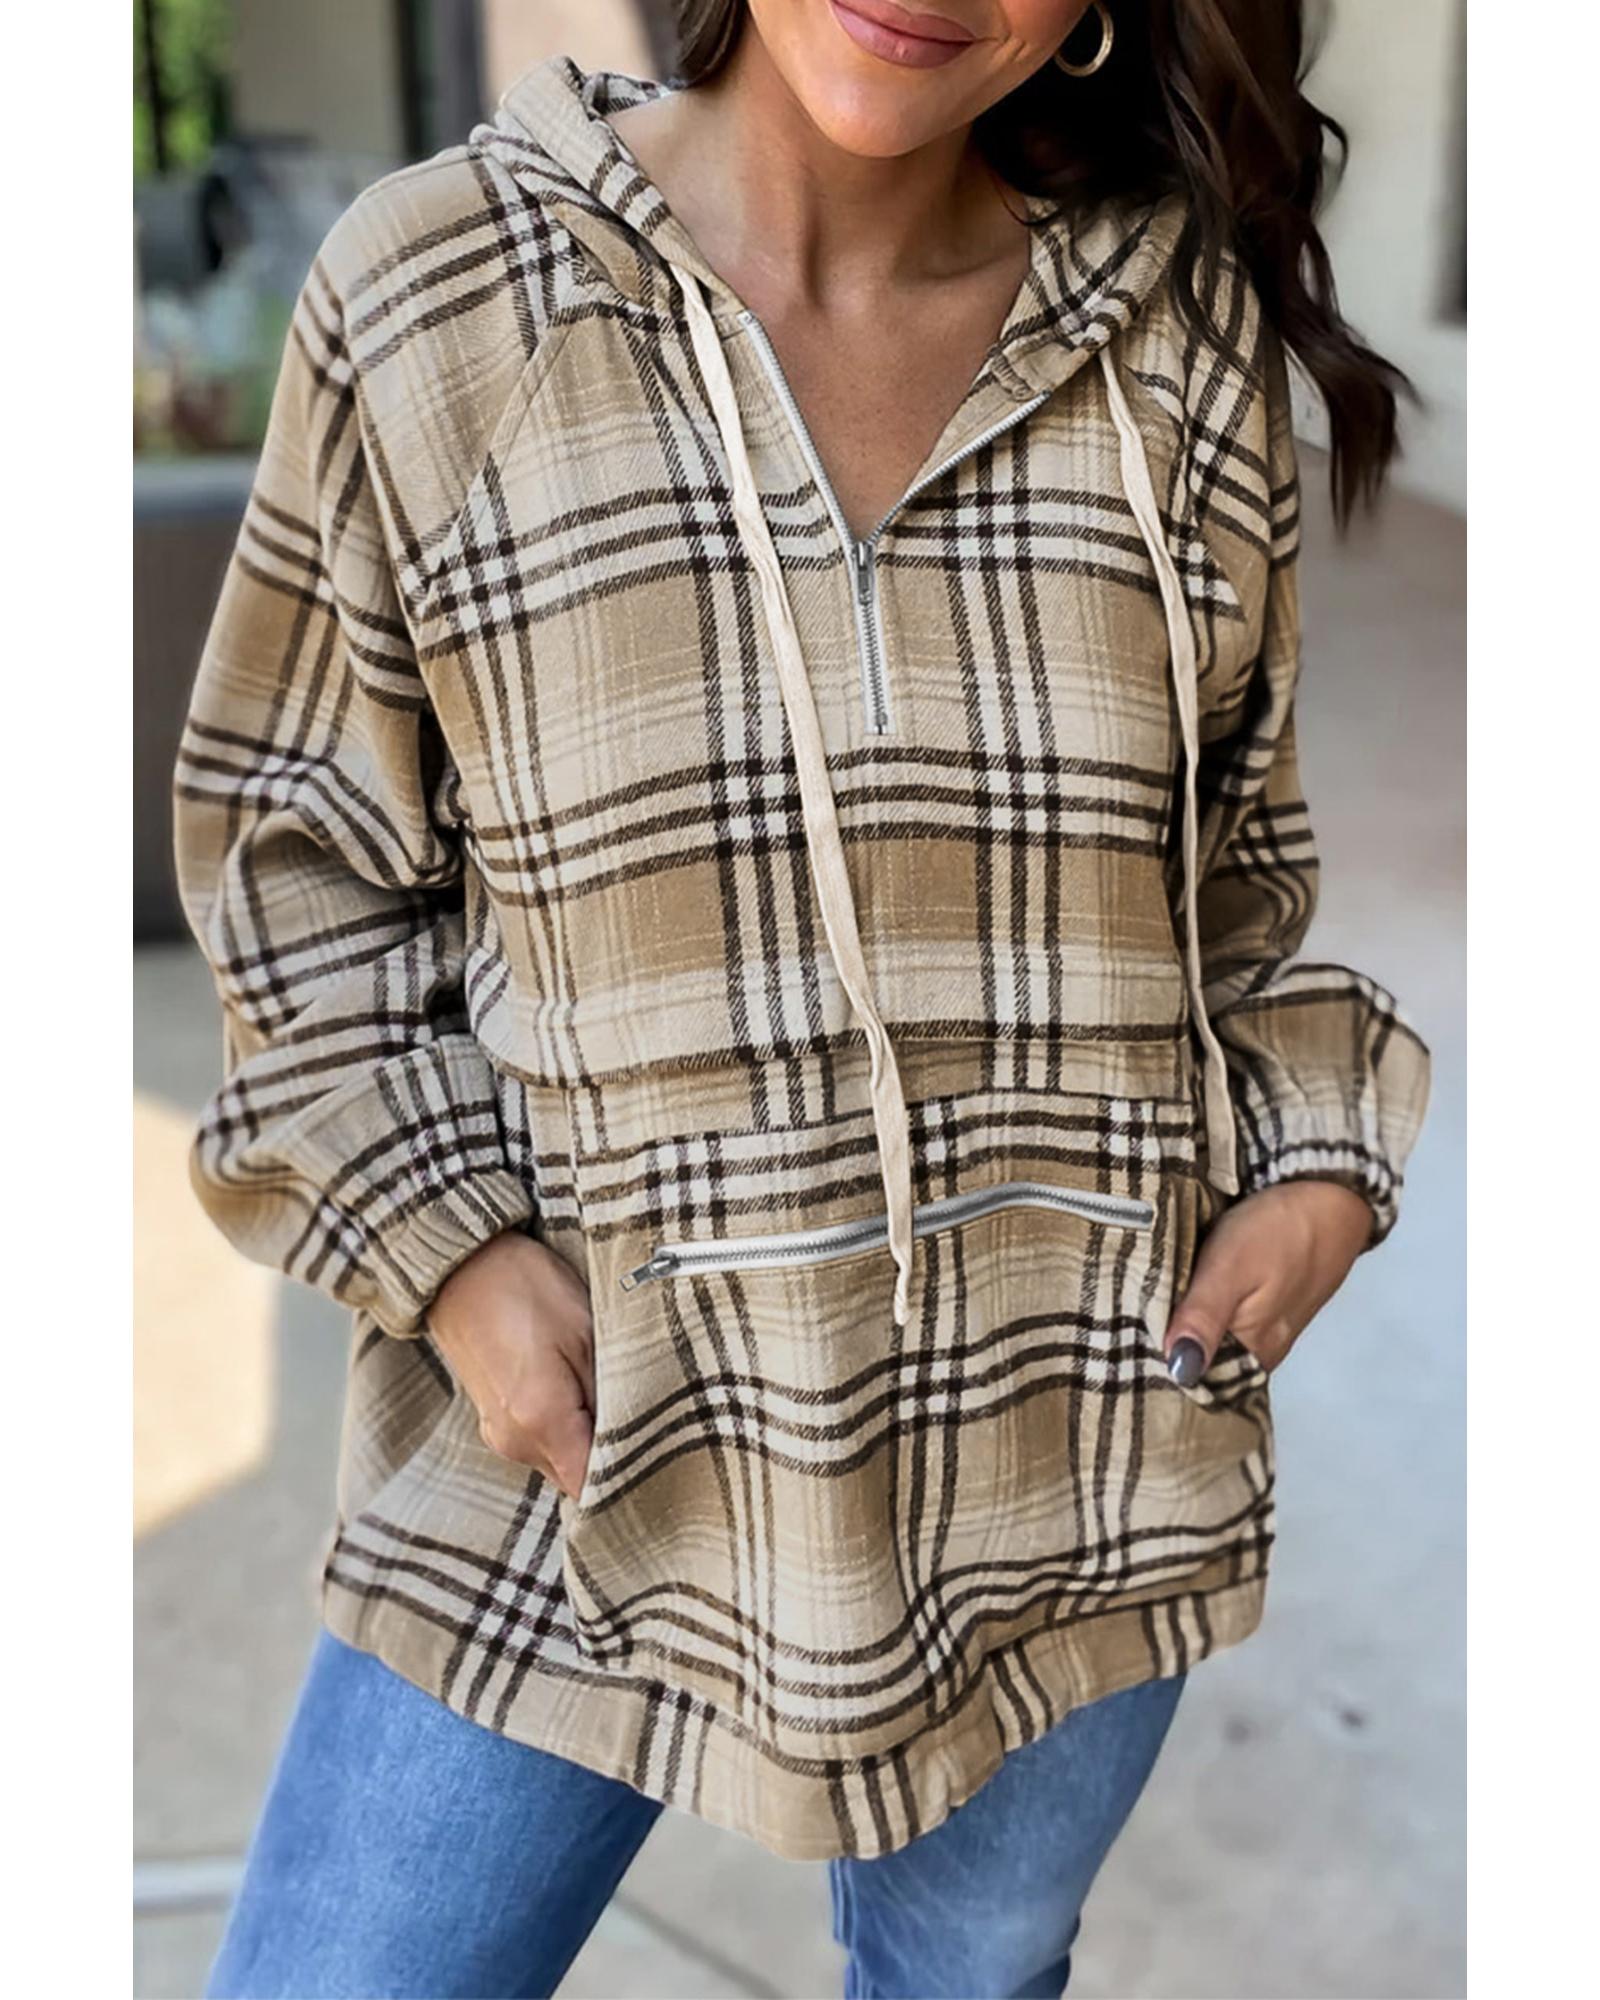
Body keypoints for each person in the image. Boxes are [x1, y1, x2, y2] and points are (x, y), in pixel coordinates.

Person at [173, 5, 1432, 1995]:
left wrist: (1316, 1168)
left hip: (1066, 1457)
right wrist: (461, 1264)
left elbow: (1230, 896)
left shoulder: (1173, 345)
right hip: (577, 1462)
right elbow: (293, 870)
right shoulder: (440, 294)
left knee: (971, 1978)